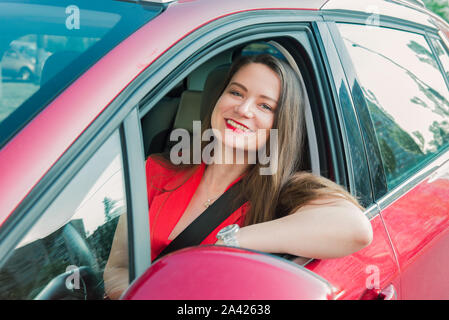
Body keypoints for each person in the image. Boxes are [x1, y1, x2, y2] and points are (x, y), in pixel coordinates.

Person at [103, 53, 373, 299]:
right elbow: (118, 267)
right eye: (236, 93)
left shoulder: (283, 194)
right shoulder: (157, 170)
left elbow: (356, 228)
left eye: (265, 106)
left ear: (281, 124)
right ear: (217, 99)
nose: (244, 110)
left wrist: (230, 243)